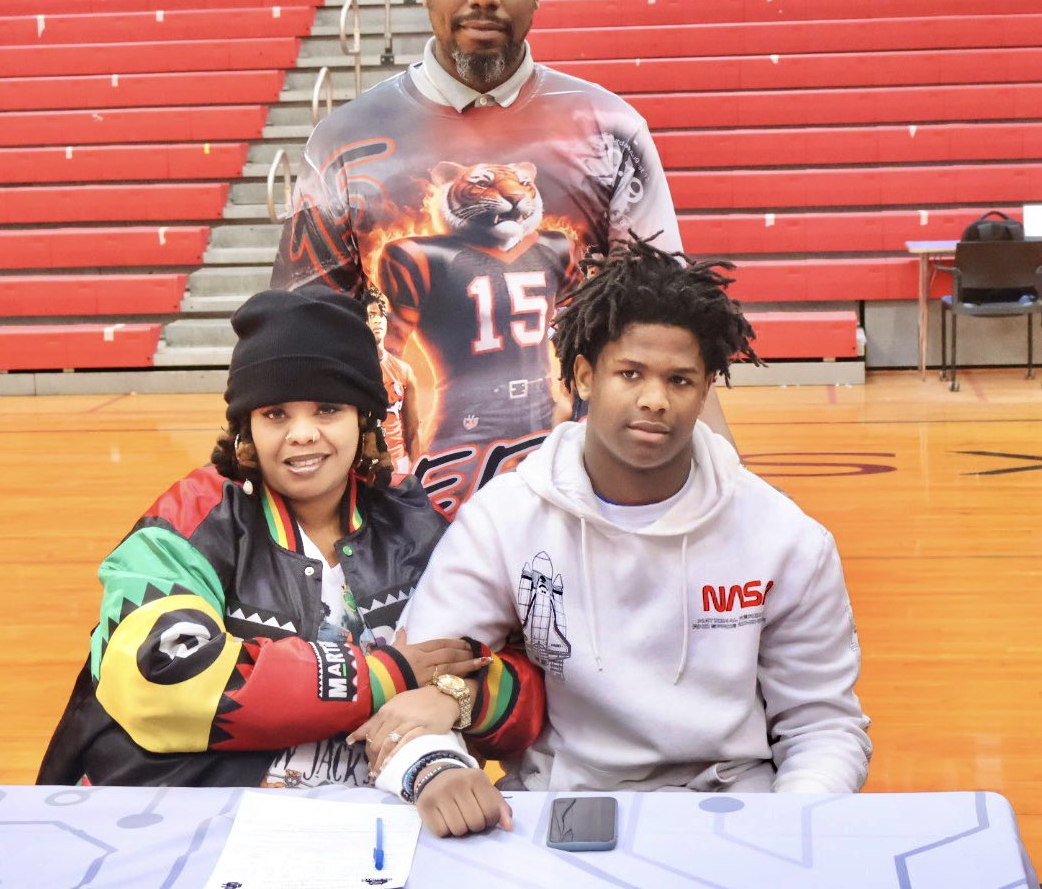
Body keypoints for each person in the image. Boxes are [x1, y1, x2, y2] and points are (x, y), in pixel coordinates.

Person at [362, 237, 871, 836]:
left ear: (706, 387)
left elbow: (822, 726)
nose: (654, 400)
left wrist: (789, 827)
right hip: (560, 805)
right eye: (630, 373)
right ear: (583, 375)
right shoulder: (505, 519)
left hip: (735, 805)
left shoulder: (784, 538)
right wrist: (437, 768)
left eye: (680, 380)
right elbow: (423, 671)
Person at [271, 0, 732, 516]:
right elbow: (300, 337)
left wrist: (723, 488)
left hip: (583, 496)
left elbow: (674, 330)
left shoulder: (608, 129)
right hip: (401, 508)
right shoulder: (343, 142)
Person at [37, 288, 538, 789]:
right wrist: (384, 677)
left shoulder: (415, 526)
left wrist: (456, 697)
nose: (301, 433)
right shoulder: (191, 516)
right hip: (189, 817)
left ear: (364, 419)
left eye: (327, 410)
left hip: (377, 821)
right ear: (246, 427)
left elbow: (525, 685)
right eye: (276, 413)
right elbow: (161, 675)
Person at [364, 285, 421, 473]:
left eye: (380, 315)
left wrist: (414, 470)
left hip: (400, 465)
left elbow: (413, 431)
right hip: (367, 467)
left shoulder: (404, 371)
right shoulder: (353, 370)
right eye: (371, 315)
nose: (377, 320)